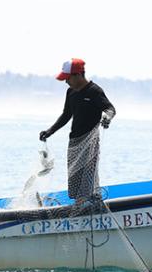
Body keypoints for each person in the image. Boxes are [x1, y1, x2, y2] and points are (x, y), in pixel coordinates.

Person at [39, 58, 115, 203]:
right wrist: (50, 131)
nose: (66, 82)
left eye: (67, 78)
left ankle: (89, 203)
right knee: (74, 181)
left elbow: (110, 109)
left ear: (78, 75)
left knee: (88, 178)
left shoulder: (94, 91)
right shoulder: (70, 92)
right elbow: (66, 115)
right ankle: (80, 204)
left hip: (90, 141)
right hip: (74, 142)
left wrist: (107, 117)